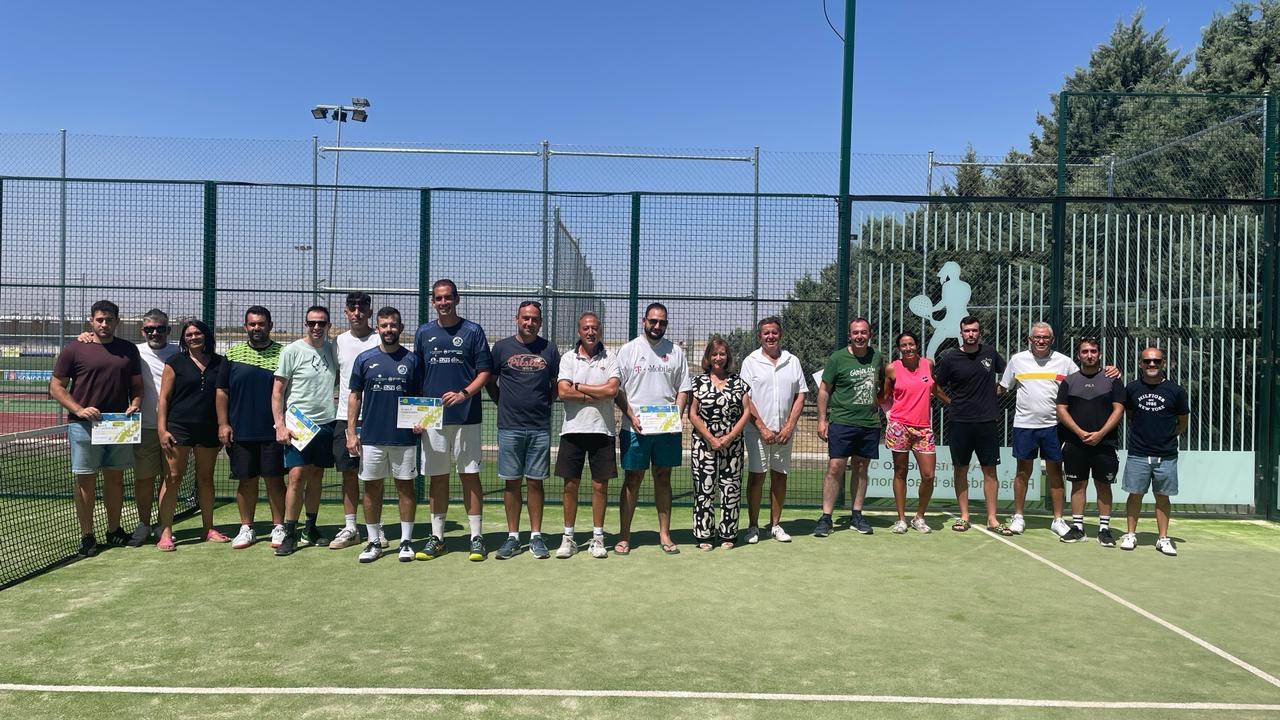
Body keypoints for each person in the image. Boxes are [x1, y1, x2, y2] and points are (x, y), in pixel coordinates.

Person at [49, 300, 143, 556]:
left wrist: (135, 403)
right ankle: (87, 536)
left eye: (109, 319)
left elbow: (137, 385)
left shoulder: (128, 350)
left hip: (118, 425)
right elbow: (56, 386)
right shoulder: (75, 349)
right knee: (85, 481)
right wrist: (79, 409)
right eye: (100, 319)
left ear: (117, 321)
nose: (104, 324)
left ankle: (114, 530)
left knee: (115, 478)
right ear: (91, 321)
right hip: (83, 426)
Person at [74, 309, 173, 547]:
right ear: (143, 331)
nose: (155, 333)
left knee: (170, 478)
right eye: (149, 329)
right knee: (143, 478)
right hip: (143, 427)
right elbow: (101, 345)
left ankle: (164, 526)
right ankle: (144, 524)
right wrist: (84, 336)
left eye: (160, 328)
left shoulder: (179, 352)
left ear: (168, 330)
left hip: (174, 427)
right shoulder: (133, 350)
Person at [413, 279, 493, 562]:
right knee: (438, 478)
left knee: (469, 475)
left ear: (457, 299)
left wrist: (464, 394)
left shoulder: (472, 331)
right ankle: (438, 538)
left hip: (466, 416)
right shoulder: (423, 332)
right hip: (432, 418)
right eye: (438, 298)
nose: (443, 302)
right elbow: (417, 376)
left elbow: (484, 372)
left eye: (448, 297)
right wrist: (418, 415)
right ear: (433, 302)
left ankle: (476, 538)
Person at [346, 306, 422, 563]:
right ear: (377, 328)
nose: (389, 330)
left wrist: (421, 420)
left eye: (393, 325)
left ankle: (405, 541)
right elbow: (354, 396)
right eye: (384, 325)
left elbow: (420, 398)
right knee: (372, 488)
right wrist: (351, 433)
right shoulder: (365, 359)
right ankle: (373, 541)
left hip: (404, 439)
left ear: (401, 328)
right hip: (372, 437)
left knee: (405, 488)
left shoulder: (412, 360)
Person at [614, 302, 691, 555]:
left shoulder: (676, 352)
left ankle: (665, 535)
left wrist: (676, 416)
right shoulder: (628, 350)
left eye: (663, 322)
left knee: (663, 478)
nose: (658, 326)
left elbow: (683, 389)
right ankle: (624, 536)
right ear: (643, 321)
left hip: (667, 430)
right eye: (653, 321)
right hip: (634, 429)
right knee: (632, 479)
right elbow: (618, 390)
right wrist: (631, 415)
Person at [487, 301, 560, 560]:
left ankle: (536, 536)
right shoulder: (501, 348)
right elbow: (491, 383)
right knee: (511, 483)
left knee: (535, 483)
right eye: (525, 318)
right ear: (517, 318)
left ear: (540, 322)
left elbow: (554, 386)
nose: (529, 323)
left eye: (535, 319)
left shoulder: (550, 349)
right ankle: (512, 537)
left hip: (539, 427)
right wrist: (504, 404)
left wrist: (542, 405)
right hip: (509, 427)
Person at [997, 322, 1079, 537]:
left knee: (1055, 472)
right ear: (1030, 340)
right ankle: (1018, 517)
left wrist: (1108, 373)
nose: (1041, 341)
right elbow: (1002, 388)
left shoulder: (1064, 362)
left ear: (1052, 340)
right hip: (1024, 426)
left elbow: (1082, 384)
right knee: (1022, 471)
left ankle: (1058, 519)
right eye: (1037, 337)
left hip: (1054, 426)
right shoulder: (1017, 360)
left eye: (1045, 337)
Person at [217, 306, 287, 549]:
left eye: (261, 323)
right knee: (246, 481)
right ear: (246, 326)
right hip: (241, 431)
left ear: (270, 325)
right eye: (252, 324)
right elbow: (222, 392)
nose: (257, 328)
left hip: (275, 431)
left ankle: (279, 526)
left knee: (275, 480)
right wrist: (224, 423)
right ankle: (246, 528)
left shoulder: (283, 353)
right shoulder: (233, 354)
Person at [271, 305, 340, 556]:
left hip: (326, 424)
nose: (317, 327)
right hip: (298, 424)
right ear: (305, 324)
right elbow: (278, 391)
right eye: (312, 323)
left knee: (316, 476)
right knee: (296, 476)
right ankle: (289, 531)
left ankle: (310, 527)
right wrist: (280, 425)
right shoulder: (291, 351)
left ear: (328, 325)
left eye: (322, 323)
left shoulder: (333, 350)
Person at [154, 320, 226, 550]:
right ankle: (165, 531)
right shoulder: (174, 362)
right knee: (173, 478)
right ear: (183, 339)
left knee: (205, 478)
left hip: (208, 429)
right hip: (178, 428)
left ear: (206, 336)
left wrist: (223, 426)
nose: (193, 338)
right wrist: (162, 430)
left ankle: (208, 529)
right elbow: (163, 399)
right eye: (189, 334)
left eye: (197, 334)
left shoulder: (220, 362)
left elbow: (223, 396)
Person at [554, 311, 619, 559]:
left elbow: (612, 390)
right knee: (570, 486)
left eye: (594, 328)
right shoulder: (568, 358)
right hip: (572, 430)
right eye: (585, 328)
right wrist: (595, 392)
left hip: (602, 431)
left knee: (599, 486)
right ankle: (568, 538)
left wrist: (578, 387)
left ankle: (598, 538)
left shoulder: (610, 357)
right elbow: (563, 392)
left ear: (600, 330)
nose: (590, 332)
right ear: (579, 331)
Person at [932, 316, 1005, 532]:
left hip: (987, 421)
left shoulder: (990, 353)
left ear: (979, 332)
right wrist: (951, 403)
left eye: (974, 330)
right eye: (967, 331)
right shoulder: (950, 358)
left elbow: (1009, 373)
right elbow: (936, 387)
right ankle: (964, 516)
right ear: (961, 333)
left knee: (989, 470)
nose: (971, 334)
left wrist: (1000, 389)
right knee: (960, 469)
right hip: (960, 422)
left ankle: (992, 518)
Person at [737, 316, 806, 544]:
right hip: (757, 432)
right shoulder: (750, 361)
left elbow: (800, 395)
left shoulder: (792, 361)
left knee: (780, 476)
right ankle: (753, 527)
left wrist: (789, 426)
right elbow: (745, 397)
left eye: (774, 332)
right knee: (757, 477)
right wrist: (762, 427)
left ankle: (775, 525)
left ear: (780, 334)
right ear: (759, 336)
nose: (770, 336)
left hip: (784, 433)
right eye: (766, 333)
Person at [814, 318, 884, 537]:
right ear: (850, 336)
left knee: (862, 468)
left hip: (869, 423)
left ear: (870, 334)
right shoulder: (837, 358)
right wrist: (822, 420)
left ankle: (856, 514)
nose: (860, 336)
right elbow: (824, 390)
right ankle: (826, 517)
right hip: (842, 422)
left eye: (863, 332)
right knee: (835, 467)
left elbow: (885, 387)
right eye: (855, 333)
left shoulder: (878, 358)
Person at [1056, 337, 1126, 547]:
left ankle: (1104, 530)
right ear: (1079, 355)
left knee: (1103, 485)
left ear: (1099, 354)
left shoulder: (1112, 379)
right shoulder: (1069, 381)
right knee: (1078, 485)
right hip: (1075, 443)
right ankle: (1078, 528)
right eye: (1085, 351)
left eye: (1093, 351)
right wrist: (1079, 432)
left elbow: (1119, 409)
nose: (1089, 355)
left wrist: (1101, 433)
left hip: (1104, 443)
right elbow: (1061, 409)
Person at [1119, 347, 1189, 556]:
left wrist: (1166, 437)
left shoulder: (1176, 391)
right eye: (1147, 361)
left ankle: (1163, 538)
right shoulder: (1131, 389)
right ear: (1140, 364)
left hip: (1166, 455)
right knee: (1135, 495)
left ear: (1163, 364)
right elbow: (1130, 416)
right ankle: (1131, 535)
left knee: (1162, 496)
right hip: (1138, 453)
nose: (1152, 365)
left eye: (1156, 362)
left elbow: (1182, 422)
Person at [689, 337, 752, 550]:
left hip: (732, 446)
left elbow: (747, 412)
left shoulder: (738, 382)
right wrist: (711, 438)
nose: (718, 358)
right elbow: (692, 414)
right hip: (703, 445)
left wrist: (730, 436)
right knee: (703, 490)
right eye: (714, 354)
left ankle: (728, 534)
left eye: (722, 354)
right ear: (708, 357)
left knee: (730, 488)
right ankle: (704, 536)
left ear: (728, 357)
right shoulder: (697, 382)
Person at [331, 291, 380, 551]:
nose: (358, 312)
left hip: (376, 420)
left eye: (363, 307)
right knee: (349, 474)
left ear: (370, 312)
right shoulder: (337, 341)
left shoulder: (380, 338)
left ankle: (376, 528)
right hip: (344, 419)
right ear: (346, 312)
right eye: (353, 307)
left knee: (376, 477)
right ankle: (351, 527)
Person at [880, 331, 936, 534]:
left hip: (923, 429)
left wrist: (952, 402)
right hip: (899, 427)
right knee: (900, 472)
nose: (908, 348)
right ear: (899, 348)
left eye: (911, 344)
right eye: (903, 345)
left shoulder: (928, 364)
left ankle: (919, 517)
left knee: (928, 475)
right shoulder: (891, 369)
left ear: (917, 345)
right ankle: (901, 519)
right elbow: (884, 396)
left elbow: (933, 387)